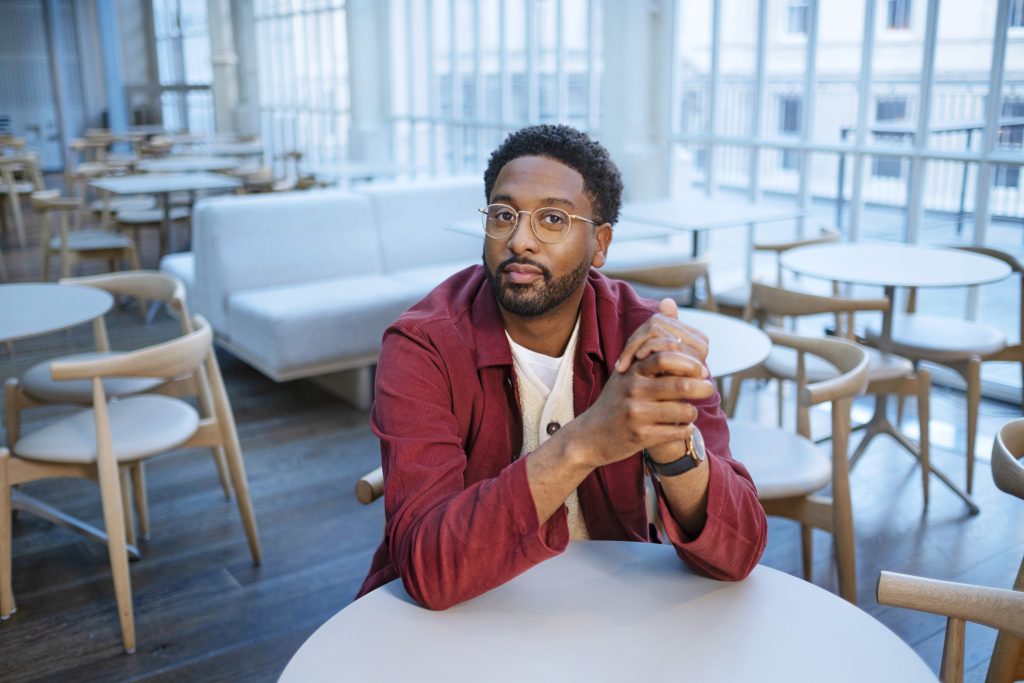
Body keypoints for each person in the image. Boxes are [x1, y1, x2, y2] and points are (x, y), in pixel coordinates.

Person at [357, 124, 767, 609]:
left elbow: (739, 554)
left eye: (553, 218)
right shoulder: (423, 345)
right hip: (465, 615)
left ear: (601, 243)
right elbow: (430, 571)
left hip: (610, 608)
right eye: (503, 214)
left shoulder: (645, 337)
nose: (520, 240)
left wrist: (673, 448)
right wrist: (585, 442)